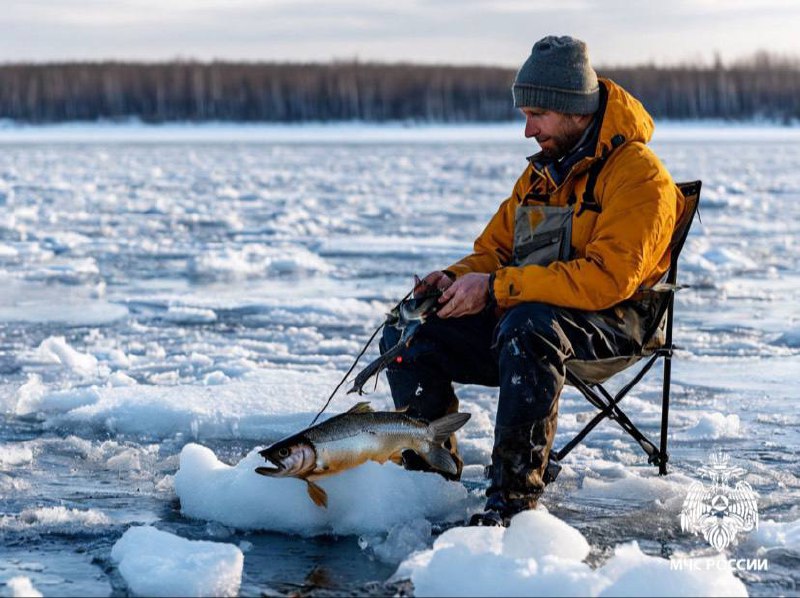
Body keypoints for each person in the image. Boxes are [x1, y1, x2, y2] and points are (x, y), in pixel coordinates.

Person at [380, 35, 686, 526]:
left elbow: (609, 280)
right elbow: (493, 251)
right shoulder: (541, 175)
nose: (527, 130)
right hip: (533, 313)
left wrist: (497, 288)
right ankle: (428, 478)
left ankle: (512, 503)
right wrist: (454, 279)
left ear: (574, 110)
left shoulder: (640, 176)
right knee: (408, 327)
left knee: (529, 327)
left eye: (537, 114)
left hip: (617, 323)